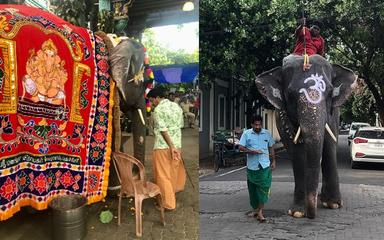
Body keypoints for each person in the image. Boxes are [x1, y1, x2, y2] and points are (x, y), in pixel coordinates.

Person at [147, 87, 186, 210]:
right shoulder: (176, 107)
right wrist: (175, 146)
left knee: (163, 176)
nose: (152, 104)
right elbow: (181, 125)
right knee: (173, 172)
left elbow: (163, 130)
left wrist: (171, 146)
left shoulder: (158, 110)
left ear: (157, 98)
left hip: (163, 146)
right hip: (177, 145)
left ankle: (167, 203)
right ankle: (171, 195)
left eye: (152, 100)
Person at [238, 115, 276, 222]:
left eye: (259, 124)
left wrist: (274, 161)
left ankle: (260, 212)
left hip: (265, 166)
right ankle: (255, 209)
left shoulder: (267, 133)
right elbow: (241, 147)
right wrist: (251, 151)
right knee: (253, 190)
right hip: (252, 167)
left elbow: (271, 147)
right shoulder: (247, 134)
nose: (258, 126)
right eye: (255, 124)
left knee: (264, 188)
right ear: (252, 125)